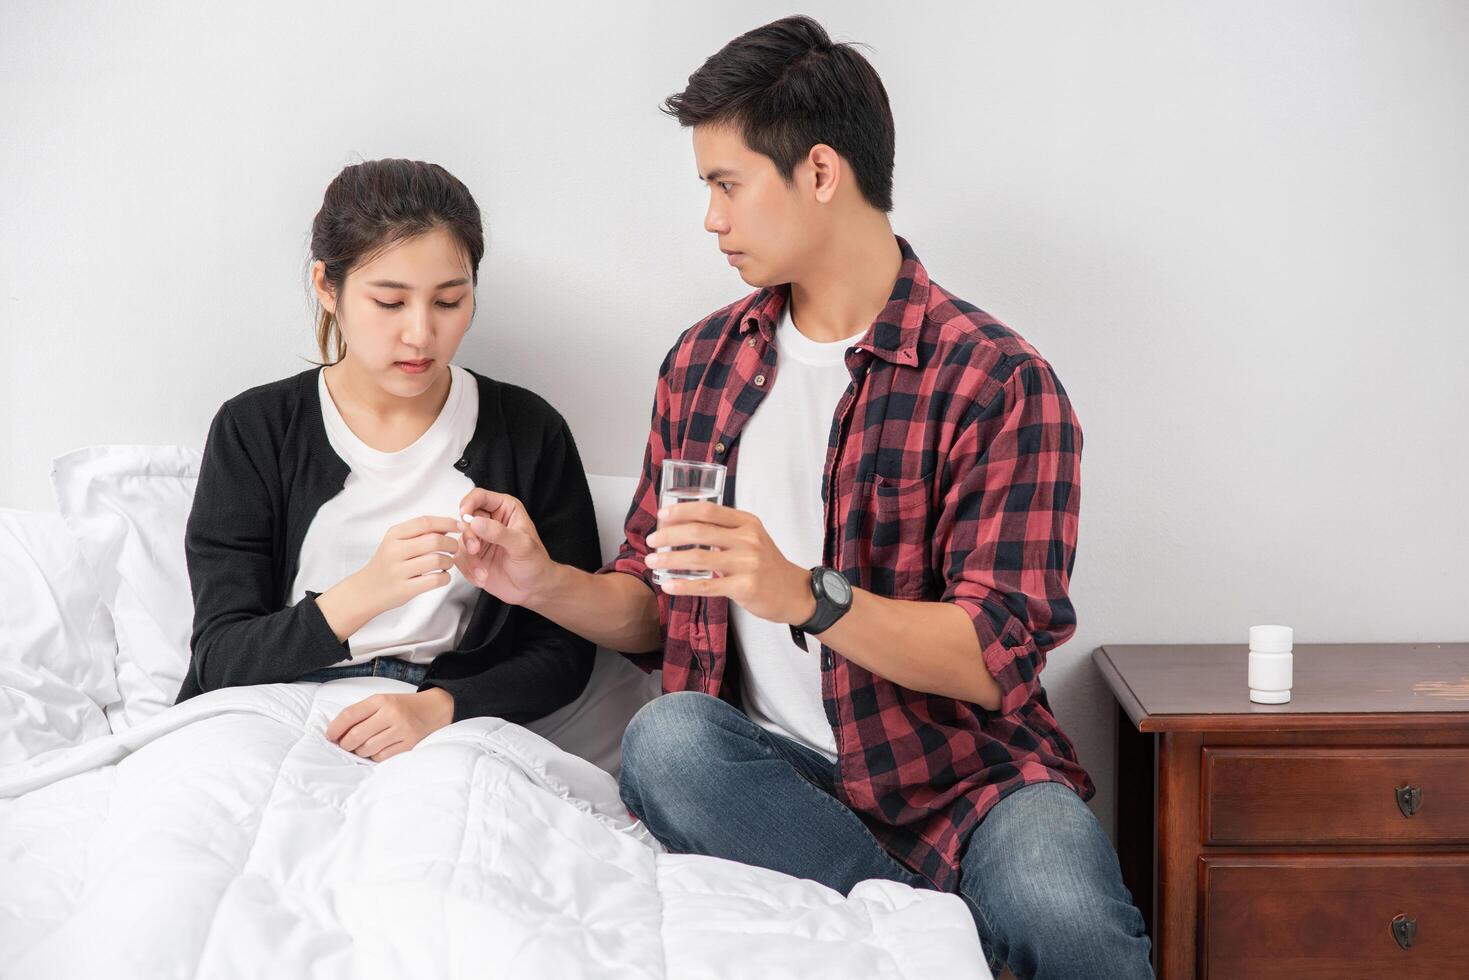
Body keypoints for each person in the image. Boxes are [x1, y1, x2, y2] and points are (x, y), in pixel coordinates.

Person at [452, 16, 1153, 978]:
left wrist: (804, 596)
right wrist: (539, 583)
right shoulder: (702, 364)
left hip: (968, 781)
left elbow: (993, 662)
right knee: (666, 740)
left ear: (820, 172)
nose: (711, 219)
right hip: (766, 775)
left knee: (1071, 922)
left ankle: (907, 921)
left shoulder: (995, 382)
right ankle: (927, 932)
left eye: (725, 184)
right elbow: (655, 607)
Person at [175, 158, 599, 763]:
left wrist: (441, 707)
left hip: (447, 726)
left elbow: (561, 655)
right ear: (328, 287)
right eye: (390, 302)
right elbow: (220, 657)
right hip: (268, 716)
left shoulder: (529, 432)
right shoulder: (255, 429)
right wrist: (367, 591)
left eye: (449, 302)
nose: (421, 334)